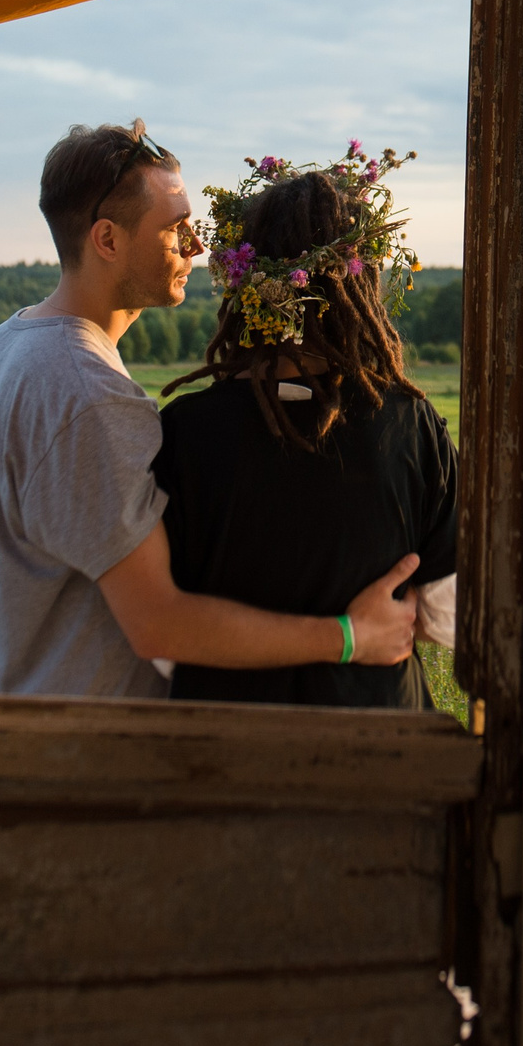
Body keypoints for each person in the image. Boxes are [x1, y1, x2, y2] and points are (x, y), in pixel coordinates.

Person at [0, 121, 422, 698]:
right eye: (175, 229)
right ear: (107, 239)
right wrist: (350, 638)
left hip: (11, 729)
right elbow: (160, 626)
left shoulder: (9, 342)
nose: (198, 247)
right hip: (76, 761)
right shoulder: (87, 393)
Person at [152, 143, 458, 709]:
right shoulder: (413, 427)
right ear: (356, 290)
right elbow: (448, 616)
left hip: (219, 755)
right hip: (380, 753)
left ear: (246, 291)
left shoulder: (181, 434)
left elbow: (163, 645)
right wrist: (349, 635)